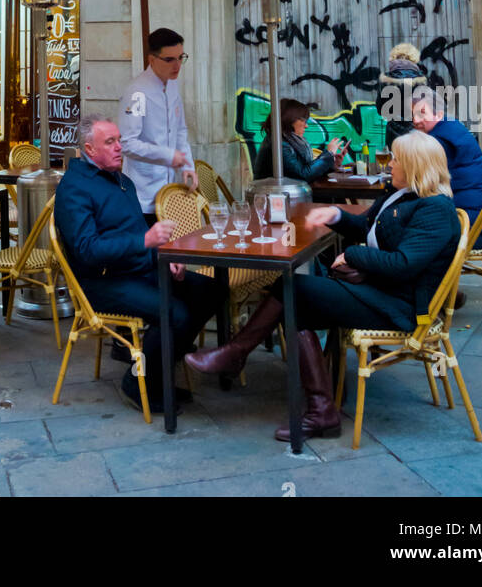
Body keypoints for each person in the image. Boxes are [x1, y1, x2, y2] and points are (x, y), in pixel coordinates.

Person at [186, 130, 461, 441]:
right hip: (378, 290)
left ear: (415, 166)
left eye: (396, 159)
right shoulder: (402, 194)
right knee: (297, 294)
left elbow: (402, 264)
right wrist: (335, 215)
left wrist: (353, 254)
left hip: (398, 306)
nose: (390, 164)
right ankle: (318, 409)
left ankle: (240, 354)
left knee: (296, 290)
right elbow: (367, 227)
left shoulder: (435, 209)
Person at [53, 114, 218, 415]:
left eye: (119, 140)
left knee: (210, 290)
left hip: (137, 269)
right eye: (110, 142)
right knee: (175, 313)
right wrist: (145, 243)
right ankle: (139, 380)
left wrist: (165, 258)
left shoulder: (122, 180)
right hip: (102, 282)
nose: (119, 148)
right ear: (89, 150)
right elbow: (88, 250)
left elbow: (134, 236)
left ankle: (158, 368)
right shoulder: (74, 189)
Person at [118, 27, 197, 224]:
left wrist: (188, 165)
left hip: (170, 190)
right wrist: (169, 155)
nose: (177, 65)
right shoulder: (137, 93)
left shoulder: (172, 85)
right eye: (169, 59)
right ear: (151, 60)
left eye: (181, 57)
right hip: (143, 194)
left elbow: (180, 131)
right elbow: (127, 143)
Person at [411, 85, 482, 245]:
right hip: (480, 220)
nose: (415, 120)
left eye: (422, 113)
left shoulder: (438, 141)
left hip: (468, 228)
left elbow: (424, 184)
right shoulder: (451, 125)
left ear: (439, 113)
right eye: (413, 114)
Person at [253, 97, 345, 183]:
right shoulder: (279, 144)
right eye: (303, 120)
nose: (306, 125)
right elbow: (303, 174)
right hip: (275, 196)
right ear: (290, 119)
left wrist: (332, 163)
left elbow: (305, 169)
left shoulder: (289, 140)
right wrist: (328, 154)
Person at [376, 42, 427, 149]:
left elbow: (380, 110)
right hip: (417, 131)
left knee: (396, 164)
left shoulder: (385, 80)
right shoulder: (422, 80)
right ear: (414, 58)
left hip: (393, 133)